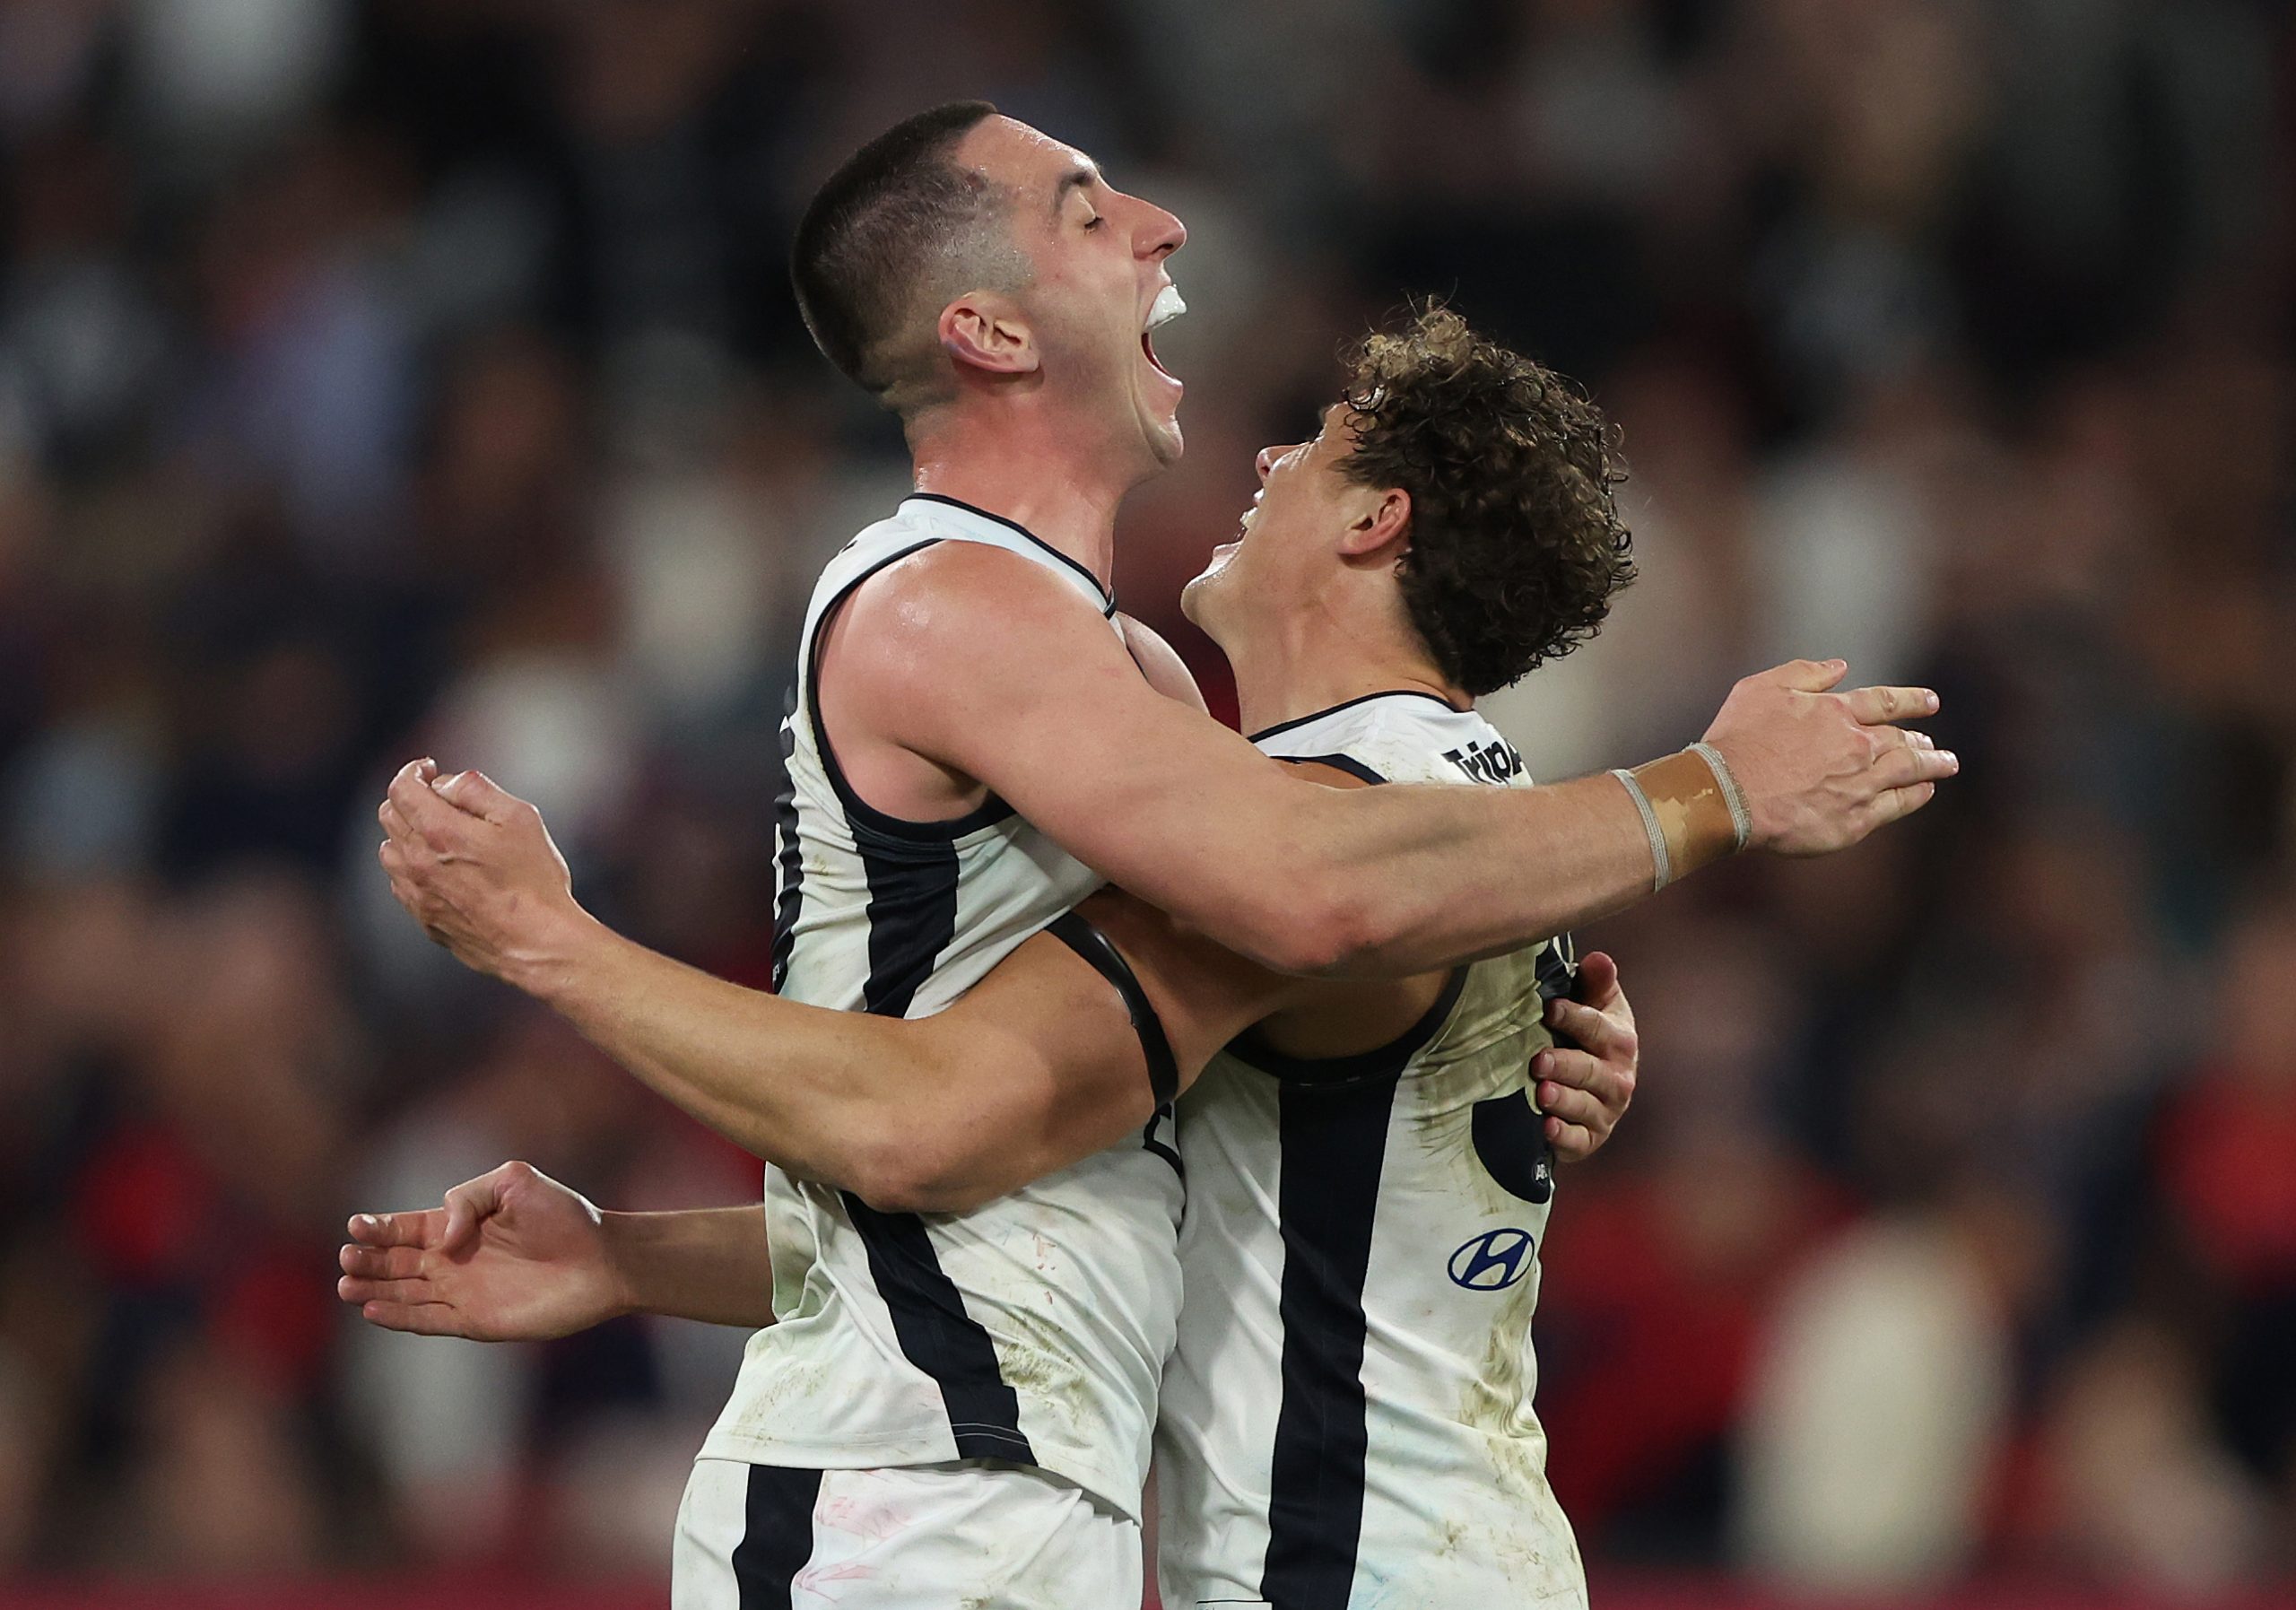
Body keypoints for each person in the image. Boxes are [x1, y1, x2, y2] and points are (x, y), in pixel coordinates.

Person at [361, 102, 1952, 1608]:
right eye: (1090, 208)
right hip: (926, 1494)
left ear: (1374, 524)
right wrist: (628, 1242)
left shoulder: (1283, 789)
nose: (1165, 226)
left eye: (1310, 449)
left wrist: (1701, 801)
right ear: (986, 330)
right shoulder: (996, 631)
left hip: (1161, 1532)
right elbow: (1029, 1141)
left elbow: (996, 1108)